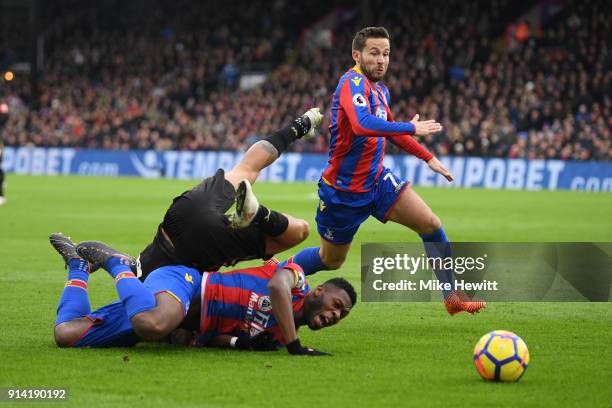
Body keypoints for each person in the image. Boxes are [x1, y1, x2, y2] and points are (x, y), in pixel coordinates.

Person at [283, 27, 485, 315]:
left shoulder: (380, 90)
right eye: (374, 53)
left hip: (377, 181)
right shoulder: (351, 83)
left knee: (430, 224)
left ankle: (451, 296)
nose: (382, 60)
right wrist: (413, 126)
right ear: (357, 55)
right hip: (343, 192)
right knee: (331, 260)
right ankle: (276, 273)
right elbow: (363, 124)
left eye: (386, 54)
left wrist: (427, 157)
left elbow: (389, 130)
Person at [50, 234, 355, 355]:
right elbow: (276, 287)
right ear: (319, 290)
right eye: (337, 305)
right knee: (152, 325)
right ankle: (119, 264)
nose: (335, 315)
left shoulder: (275, 337)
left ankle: (78, 267)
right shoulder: (296, 282)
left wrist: (241, 343)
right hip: (185, 284)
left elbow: (217, 337)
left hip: (176, 320)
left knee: (65, 334)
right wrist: (295, 346)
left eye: (341, 315)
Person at [135, 108, 323, 279]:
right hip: (181, 213)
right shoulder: (131, 271)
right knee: (247, 168)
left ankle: (259, 214)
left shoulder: (147, 292)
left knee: (300, 231)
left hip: (197, 249)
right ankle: (301, 124)